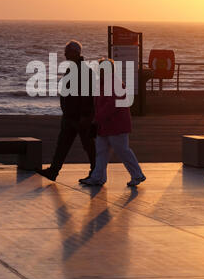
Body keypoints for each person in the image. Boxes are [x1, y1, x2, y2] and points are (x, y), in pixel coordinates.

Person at [81, 58, 146, 187]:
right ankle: (98, 177)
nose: (99, 71)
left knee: (122, 150)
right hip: (106, 125)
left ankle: (137, 175)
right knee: (102, 151)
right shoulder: (104, 83)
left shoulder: (113, 83)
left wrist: (97, 119)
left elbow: (111, 105)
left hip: (116, 125)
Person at [38, 40, 96, 182]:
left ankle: (95, 172)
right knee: (62, 145)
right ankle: (54, 171)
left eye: (67, 51)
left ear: (75, 53)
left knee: (88, 146)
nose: (64, 54)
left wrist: (85, 115)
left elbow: (87, 95)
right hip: (69, 116)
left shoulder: (84, 71)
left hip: (79, 117)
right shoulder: (72, 69)